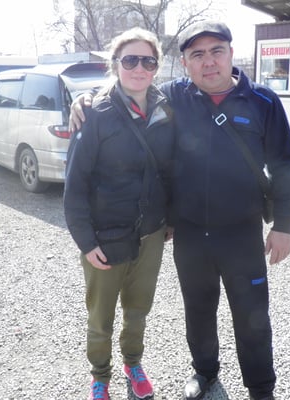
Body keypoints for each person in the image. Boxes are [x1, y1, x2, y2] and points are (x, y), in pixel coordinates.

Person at [70, 21, 290, 400]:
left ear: (231, 54)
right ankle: (205, 372)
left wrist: (284, 224)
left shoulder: (263, 101)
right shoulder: (174, 96)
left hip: (242, 234)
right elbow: (129, 90)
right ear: (185, 62)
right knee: (198, 310)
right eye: (198, 54)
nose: (209, 62)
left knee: (253, 317)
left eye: (217, 51)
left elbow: (286, 164)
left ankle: (261, 388)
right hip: (190, 233)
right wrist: (87, 98)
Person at [63, 27, 174, 400]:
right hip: (105, 237)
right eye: (131, 60)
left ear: (157, 67)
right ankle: (100, 376)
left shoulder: (166, 108)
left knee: (138, 310)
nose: (139, 68)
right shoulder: (95, 113)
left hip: (151, 234)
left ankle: (133, 363)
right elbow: (75, 184)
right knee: (101, 316)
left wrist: (170, 219)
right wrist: (85, 241)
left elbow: (171, 170)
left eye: (148, 61)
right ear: (115, 64)